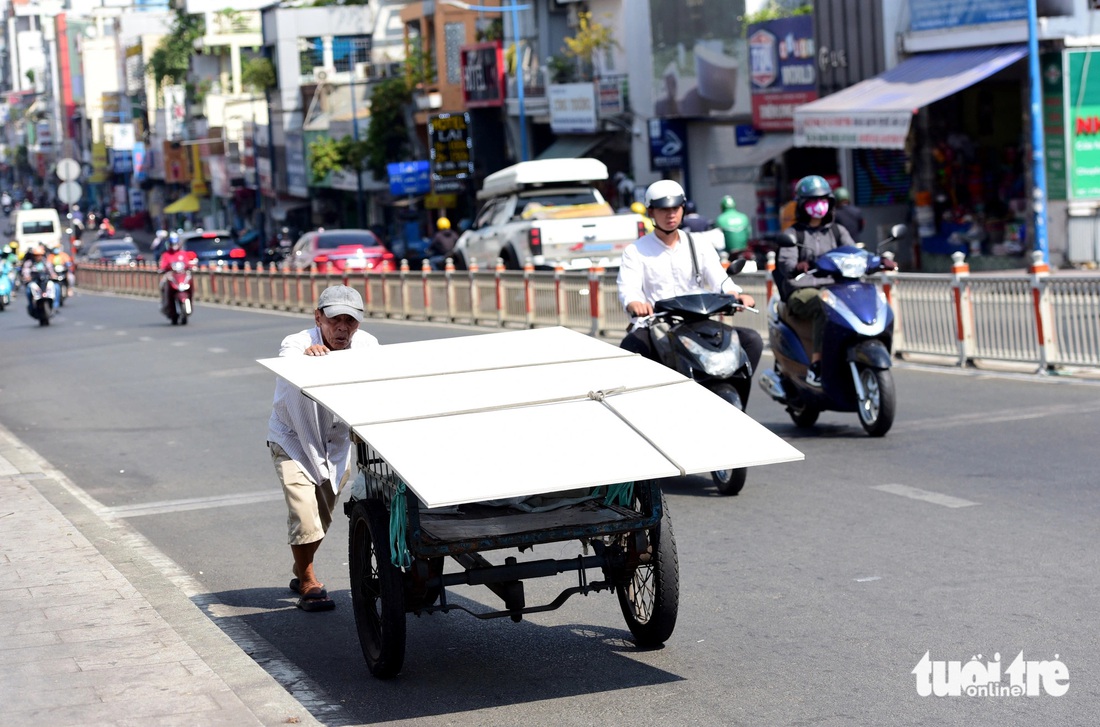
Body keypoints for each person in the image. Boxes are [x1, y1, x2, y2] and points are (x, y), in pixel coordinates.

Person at [267, 285, 378, 612]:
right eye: (334, 320)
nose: (342, 328)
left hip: (336, 445)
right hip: (293, 440)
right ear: (318, 317)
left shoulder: (367, 346)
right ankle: (308, 581)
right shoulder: (298, 342)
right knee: (305, 516)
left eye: (351, 321)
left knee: (321, 519)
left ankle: (300, 566)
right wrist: (308, 358)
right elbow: (288, 361)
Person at [617, 179, 762, 383]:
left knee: (751, 340)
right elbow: (628, 288)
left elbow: (720, 279)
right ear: (651, 212)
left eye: (676, 208)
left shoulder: (699, 244)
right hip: (657, 325)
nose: (671, 214)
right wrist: (634, 303)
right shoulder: (636, 251)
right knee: (631, 348)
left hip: (697, 322)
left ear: (683, 209)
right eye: (663, 209)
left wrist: (735, 294)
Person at [776, 175, 895, 388]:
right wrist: (797, 266)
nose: (818, 206)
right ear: (802, 205)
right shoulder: (794, 234)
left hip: (838, 287)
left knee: (872, 296)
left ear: (830, 203)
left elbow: (856, 253)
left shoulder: (837, 231)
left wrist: (878, 260)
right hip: (804, 289)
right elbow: (786, 262)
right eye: (813, 201)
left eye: (823, 200)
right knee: (824, 303)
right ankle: (817, 365)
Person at [157, 232, 196, 314]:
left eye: (176, 244)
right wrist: (162, 269)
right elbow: (162, 265)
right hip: (170, 275)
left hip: (182, 274)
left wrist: (191, 266)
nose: (174, 246)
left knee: (190, 281)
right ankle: (164, 302)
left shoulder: (183, 253)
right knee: (162, 284)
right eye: (173, 244)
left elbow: (188, 263)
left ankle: (191, 300)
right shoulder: (166, 254)